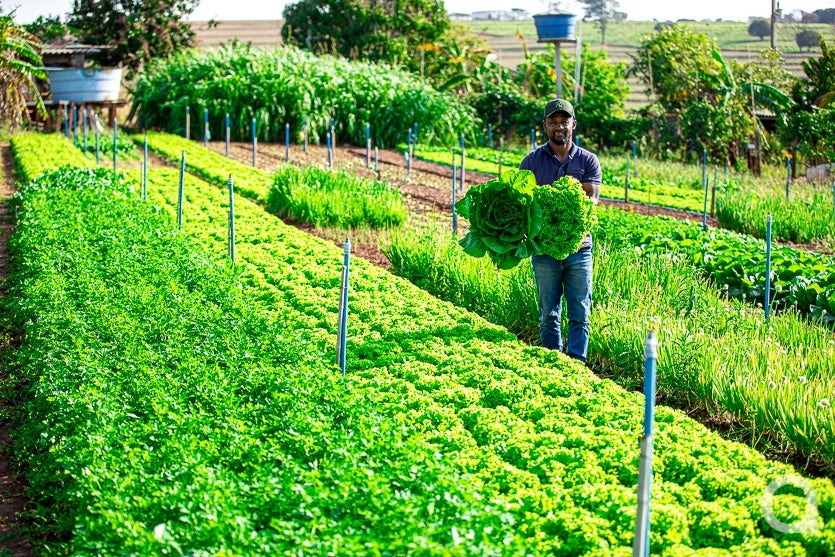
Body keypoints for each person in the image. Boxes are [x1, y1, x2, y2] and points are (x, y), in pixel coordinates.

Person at [519, 98, 601, 363]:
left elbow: (591, 201)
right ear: (545, 125)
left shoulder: (588, 160)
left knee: (580, 313)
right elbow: (523, 204)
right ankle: (552, 363)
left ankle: (576, 364)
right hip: (544, 251)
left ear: (573, 124)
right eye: (553, 122)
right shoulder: (531, 162)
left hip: (580, 250)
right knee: (548, 315)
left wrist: (565, 213)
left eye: (564, 121)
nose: (559, 126)